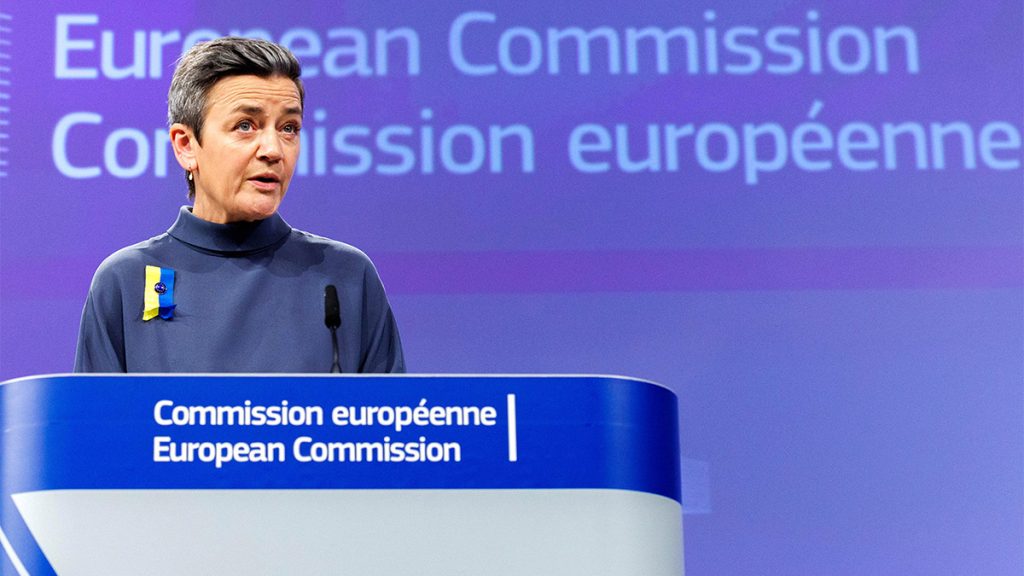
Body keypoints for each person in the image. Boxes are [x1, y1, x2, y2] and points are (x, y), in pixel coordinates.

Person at [74, 37, 404, 373]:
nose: (273, 150)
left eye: (289, 128)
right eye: (245, 126)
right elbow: (94, 409)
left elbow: (394, 408)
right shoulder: (125, 280)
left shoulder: (346, 276)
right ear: (186, 145)